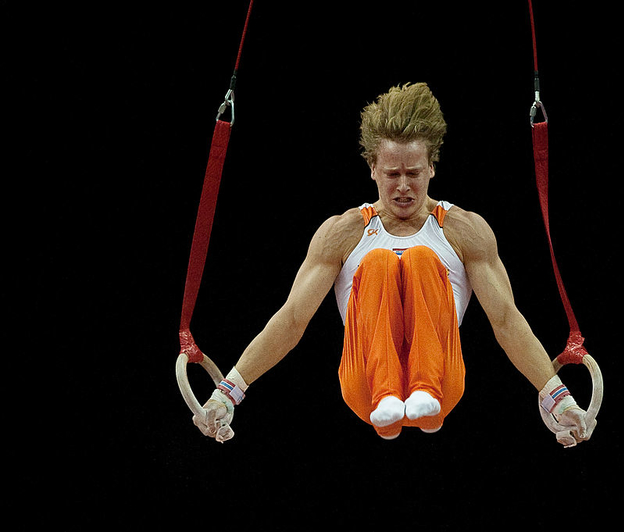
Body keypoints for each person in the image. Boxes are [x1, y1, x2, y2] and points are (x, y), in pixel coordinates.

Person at [193, 82, 592, 443]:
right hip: (363, 384)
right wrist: (227, 392)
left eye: (414, 173)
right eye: (392, 173)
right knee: (380, 263)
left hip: (443, 383)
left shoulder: (465, 230)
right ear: (372, 169)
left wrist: (560, 399)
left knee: (421, 259)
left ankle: (424, 391)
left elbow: (507, 320)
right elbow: (292, 319)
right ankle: (387, 396)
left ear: (432, 166)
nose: (403, 186)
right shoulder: (342, 232)